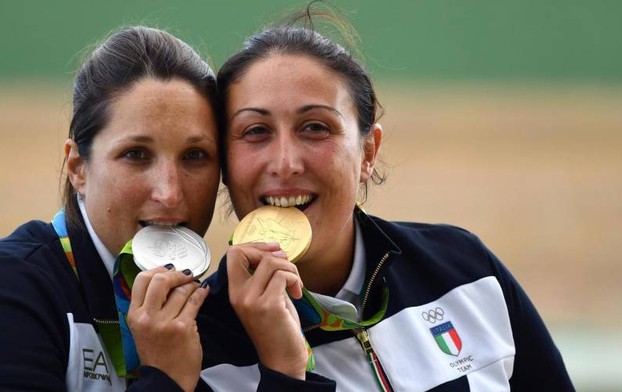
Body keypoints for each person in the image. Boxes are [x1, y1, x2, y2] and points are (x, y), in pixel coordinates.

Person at [196, 5, 575, 391]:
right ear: (225, 163)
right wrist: (282, 371)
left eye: (315, 127)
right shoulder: (196, 345)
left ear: (368, 152)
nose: (286, 163)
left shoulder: (465, 270)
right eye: (256, 131)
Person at [0, 26, 220, 391]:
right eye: (136, 154)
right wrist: (165, 378)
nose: (169, 193)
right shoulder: (15, 288)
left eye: (195, 156)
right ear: (78, 168)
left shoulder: (219, 309)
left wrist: (285, 371)